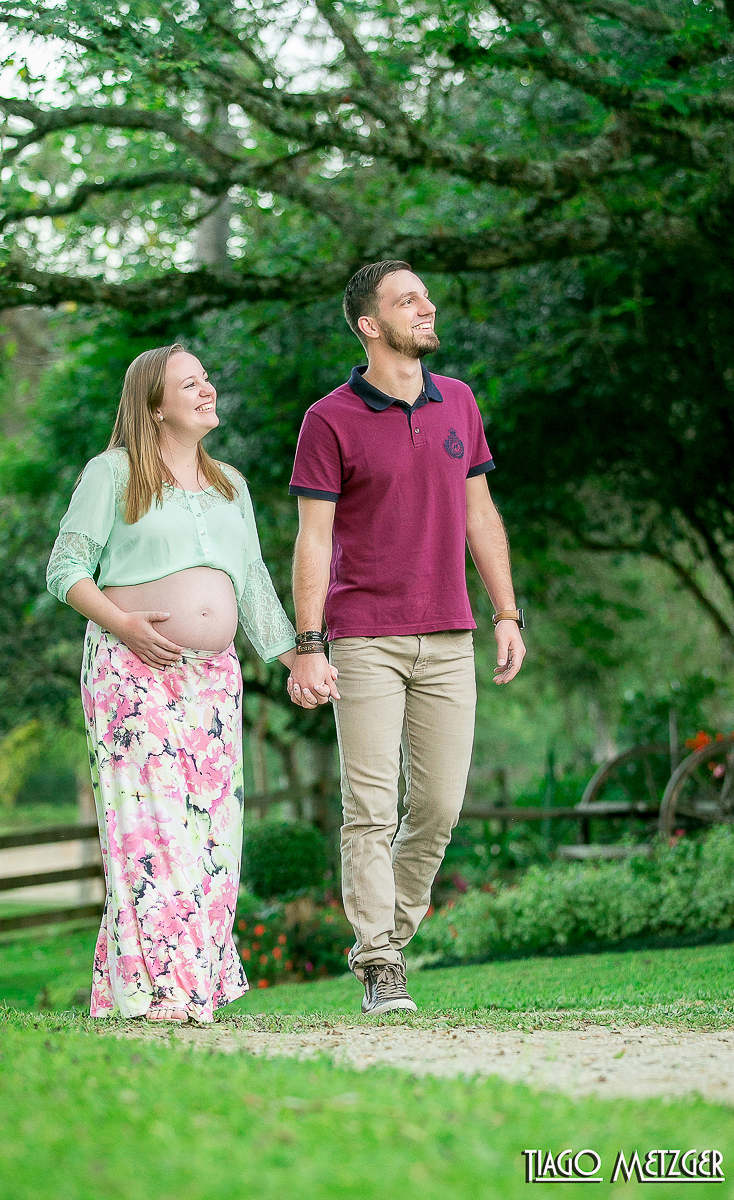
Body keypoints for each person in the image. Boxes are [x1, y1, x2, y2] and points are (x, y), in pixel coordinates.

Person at [287, 261, 526, 1015]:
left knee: (440, 808)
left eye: (425, 296)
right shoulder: (329, 419)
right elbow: (313, 542)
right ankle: (382, 964)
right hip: (364, 639)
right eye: (407, 301)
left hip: (450, 633)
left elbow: (481, 515)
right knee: (370, 807)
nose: (427, 307)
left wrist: (507, 612)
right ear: (369, 324)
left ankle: (384, 935)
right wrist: (309, 641)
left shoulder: (458, 402)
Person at [46, 343, 298, 1023]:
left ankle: (180, 986)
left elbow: (251, 584)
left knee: (214, 837)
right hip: (130, 673)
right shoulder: (113, 473)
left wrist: (295, 656)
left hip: (214, 682)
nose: (208, 389)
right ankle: (162, 992)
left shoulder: (229, 485)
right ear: (155, 405)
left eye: (208, 379)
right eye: (191, 384)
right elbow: (65, 568)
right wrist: (124, 623)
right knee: (151, 833)